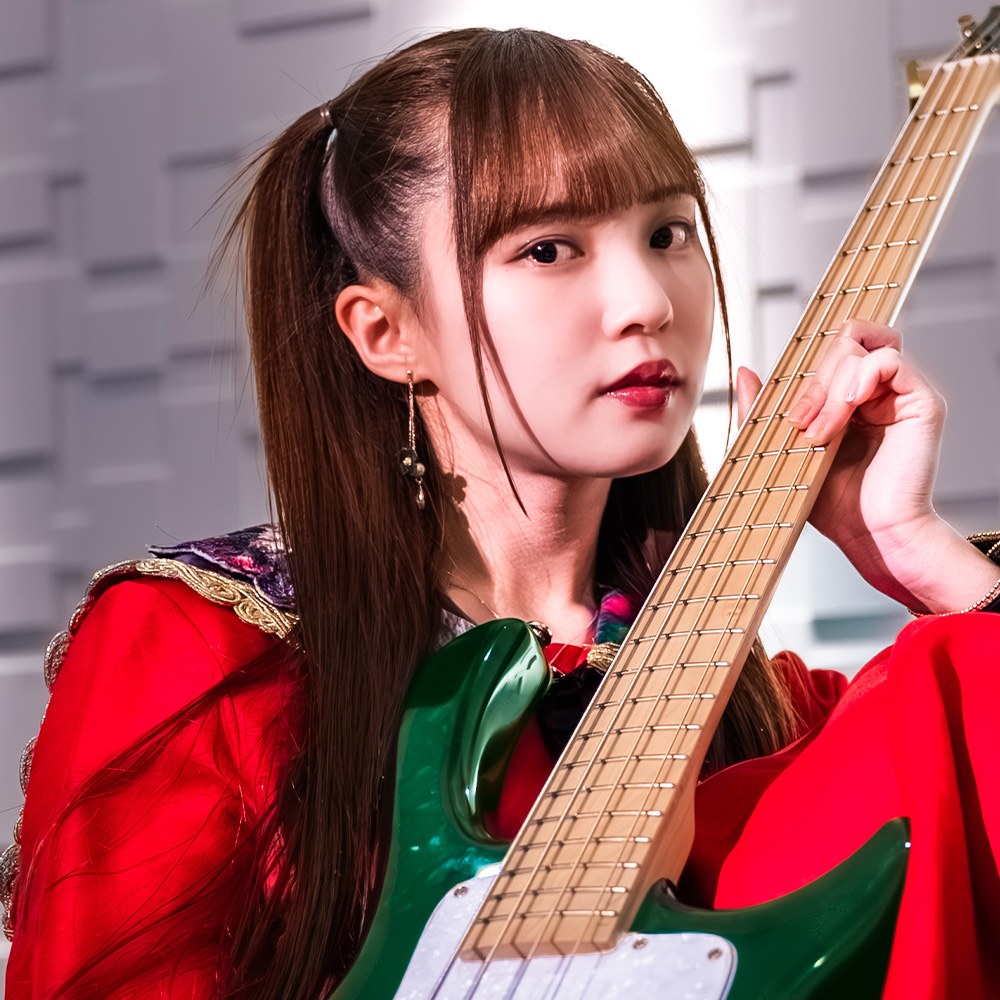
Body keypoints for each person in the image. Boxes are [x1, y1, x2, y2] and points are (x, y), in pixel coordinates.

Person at [3, 26, 999, 1000]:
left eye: (668, 232)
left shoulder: (770, 714)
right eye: (549, 248)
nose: (646, 300)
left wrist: (924, 560)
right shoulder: (201, 651)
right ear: (385, 331)